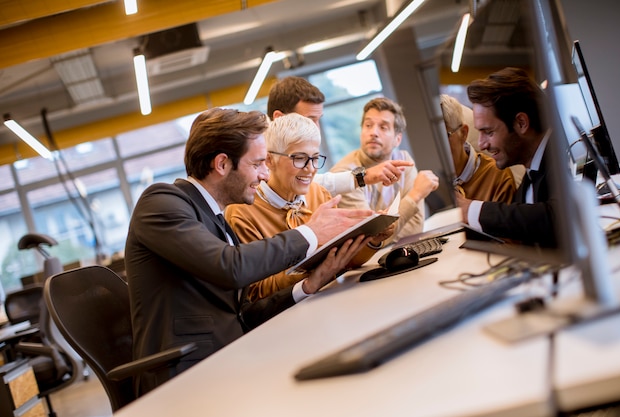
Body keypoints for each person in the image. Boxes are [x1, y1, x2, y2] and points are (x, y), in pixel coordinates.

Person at [125, 108, 374, 394]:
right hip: (186, 377)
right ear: (222, 164)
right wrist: (311, 233)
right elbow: (231, 268)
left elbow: (239, 313)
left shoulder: (216, 219)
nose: (264, 174)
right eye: (257, 164)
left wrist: (308, 285)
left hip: (226, 358)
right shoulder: (161, 203)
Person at [225, 113, 394, 301]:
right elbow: (256, 292)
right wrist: (314, 270)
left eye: (315, 158)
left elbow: (346, 260)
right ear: (269, 160)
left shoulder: (319, 193)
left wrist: (372, 241)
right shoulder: (242, 212)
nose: (311, 168)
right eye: (299, 158)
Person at [456, 67, 556, 247]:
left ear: (521, 123)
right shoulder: (529, 178)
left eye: (488, 132)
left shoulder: (565, 158)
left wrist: (469, 210)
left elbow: (555, 217)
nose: (481, 144)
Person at [267, 76, 413, 194]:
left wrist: (365, 177)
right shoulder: (258, 168)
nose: (316, 129)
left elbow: (321, 183)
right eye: (310, 120)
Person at [330, 97, 440, 245]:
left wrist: (385, 237)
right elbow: (372, 239)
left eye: (383, 127)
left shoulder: (403, 159)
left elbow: (415, 226)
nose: (373, 132)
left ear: (397, 139)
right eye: (368, 125)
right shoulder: (345, 175)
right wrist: (415, 195)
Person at [440, 94, 517, 203]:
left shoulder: (498, 178)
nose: (436, 148)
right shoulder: (421, 179)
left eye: (444, 136)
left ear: (463, 133)